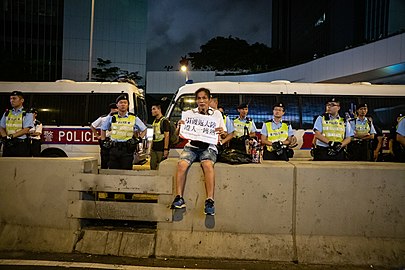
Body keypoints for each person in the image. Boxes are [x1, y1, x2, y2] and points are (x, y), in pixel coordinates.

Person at [171, 88, 226, 215]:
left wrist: (222, 132)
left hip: (208, 147)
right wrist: (180, 126)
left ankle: (210, 200)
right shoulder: (190, 114)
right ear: (196, 100)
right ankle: (179, 198)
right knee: (181, 164)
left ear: (209, 100)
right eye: (199, 98)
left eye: (204, 98)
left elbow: (224, 134)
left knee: (207, 164)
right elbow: (178, 135)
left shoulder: (216, 114)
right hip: (192, 146)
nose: (201, 101)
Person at [100, 94, 147, 170]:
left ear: (128, 105)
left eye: (125, 103)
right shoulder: (112, 116)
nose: (123, 105)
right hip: (114, 149)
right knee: (113, 171)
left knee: (126, 172)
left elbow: (144, 130)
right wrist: (103, 141)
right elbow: (103, 128)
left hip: (127, 150)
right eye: (121, 102)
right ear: (117, 105)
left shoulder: (133, 117)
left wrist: (138, 139)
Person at [0, 91, 34, 157]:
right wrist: (5, 137)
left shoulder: (27, 113)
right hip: (8, 144)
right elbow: (1, 127)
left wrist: (11, 136)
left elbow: (26, 129)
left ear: (22, 100)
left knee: (21, 165)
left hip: (21, 144)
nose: (11, 101)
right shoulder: (7, 113)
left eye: (14, 98)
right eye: (10, 99)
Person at [90, 103, 118, 169]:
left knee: (114, 160)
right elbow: (92, 126)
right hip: (106, 140)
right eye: (115, 109)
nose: (116, 110)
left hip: (115, 140)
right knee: (105, 159)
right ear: (111, 109)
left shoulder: (119, 118)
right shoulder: (103, 118)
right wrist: (97, 136)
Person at [150, 103, 170, 170]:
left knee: (160, 168)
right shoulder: (155, 121)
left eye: (154, 109)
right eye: (152, 109)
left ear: (159, 109)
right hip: (154, 148)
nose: (152, 111)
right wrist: (151, 147)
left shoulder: (164, 121)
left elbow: (166, 136)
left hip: (161, 149)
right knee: (152, 166)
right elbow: (154, 135)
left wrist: (165, 149)